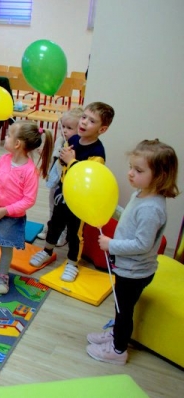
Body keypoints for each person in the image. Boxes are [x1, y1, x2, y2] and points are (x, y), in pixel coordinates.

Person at [86, 139, 179, 365]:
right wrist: (111, 210)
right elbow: (128, 218)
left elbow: (142, 244)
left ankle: (118, 350)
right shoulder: (141, 195)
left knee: (123, 310)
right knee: (120, 307)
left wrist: (111, 245)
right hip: (128, 268)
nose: (130, 174)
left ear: (159, 176)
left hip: (135, 271)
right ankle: (117, 332)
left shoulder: (151, 209)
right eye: (131, 167)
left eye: (138, 170)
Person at [29, 102, 115, 282]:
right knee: (54, 224)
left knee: (75, 233)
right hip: (63, 194)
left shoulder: (98, 152)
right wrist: (62, 159)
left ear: (103, 129)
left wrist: (71, 161)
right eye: (84, 117)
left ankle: (72, 263)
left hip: (80, 200)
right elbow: (63, 166)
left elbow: (88, 175)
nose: (84, 123)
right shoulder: (74, 140)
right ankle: (47, 250)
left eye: (92, 121)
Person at [0, 122, 53, 294]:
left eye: (9, 135)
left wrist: (6, 210)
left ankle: (3, 276)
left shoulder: (30, 171)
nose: (6, 138)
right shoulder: (4, 159)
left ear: (17, 144)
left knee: (6, 248)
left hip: (10, 217)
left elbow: (28, 200)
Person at [37, 107, 84, 246]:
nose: (64, 130)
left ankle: (63, 234)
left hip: (68, 185)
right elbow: (53, 159)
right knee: (52, 207)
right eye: (63, 126)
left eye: (69, 128)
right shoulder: (59, 140)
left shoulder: (77, 147)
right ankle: (50, 228)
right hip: (55, 182)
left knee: (65, 212)